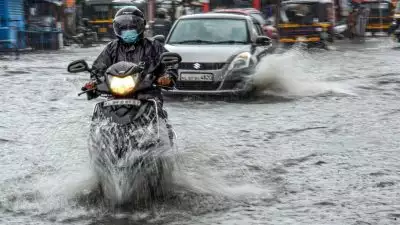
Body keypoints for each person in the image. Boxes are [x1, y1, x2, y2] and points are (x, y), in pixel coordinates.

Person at [83, 6, 177, 102]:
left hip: (148, 95)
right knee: (99, 110)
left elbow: (170, 64)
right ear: (118, 28)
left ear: (141, 26)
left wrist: (167, 76)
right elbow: (99, 68)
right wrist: (93, 82)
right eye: (124, 28)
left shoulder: (153, 46)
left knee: (157, 111)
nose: (128, 30)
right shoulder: (111, 48)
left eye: (132, 27)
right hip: (116, 95)